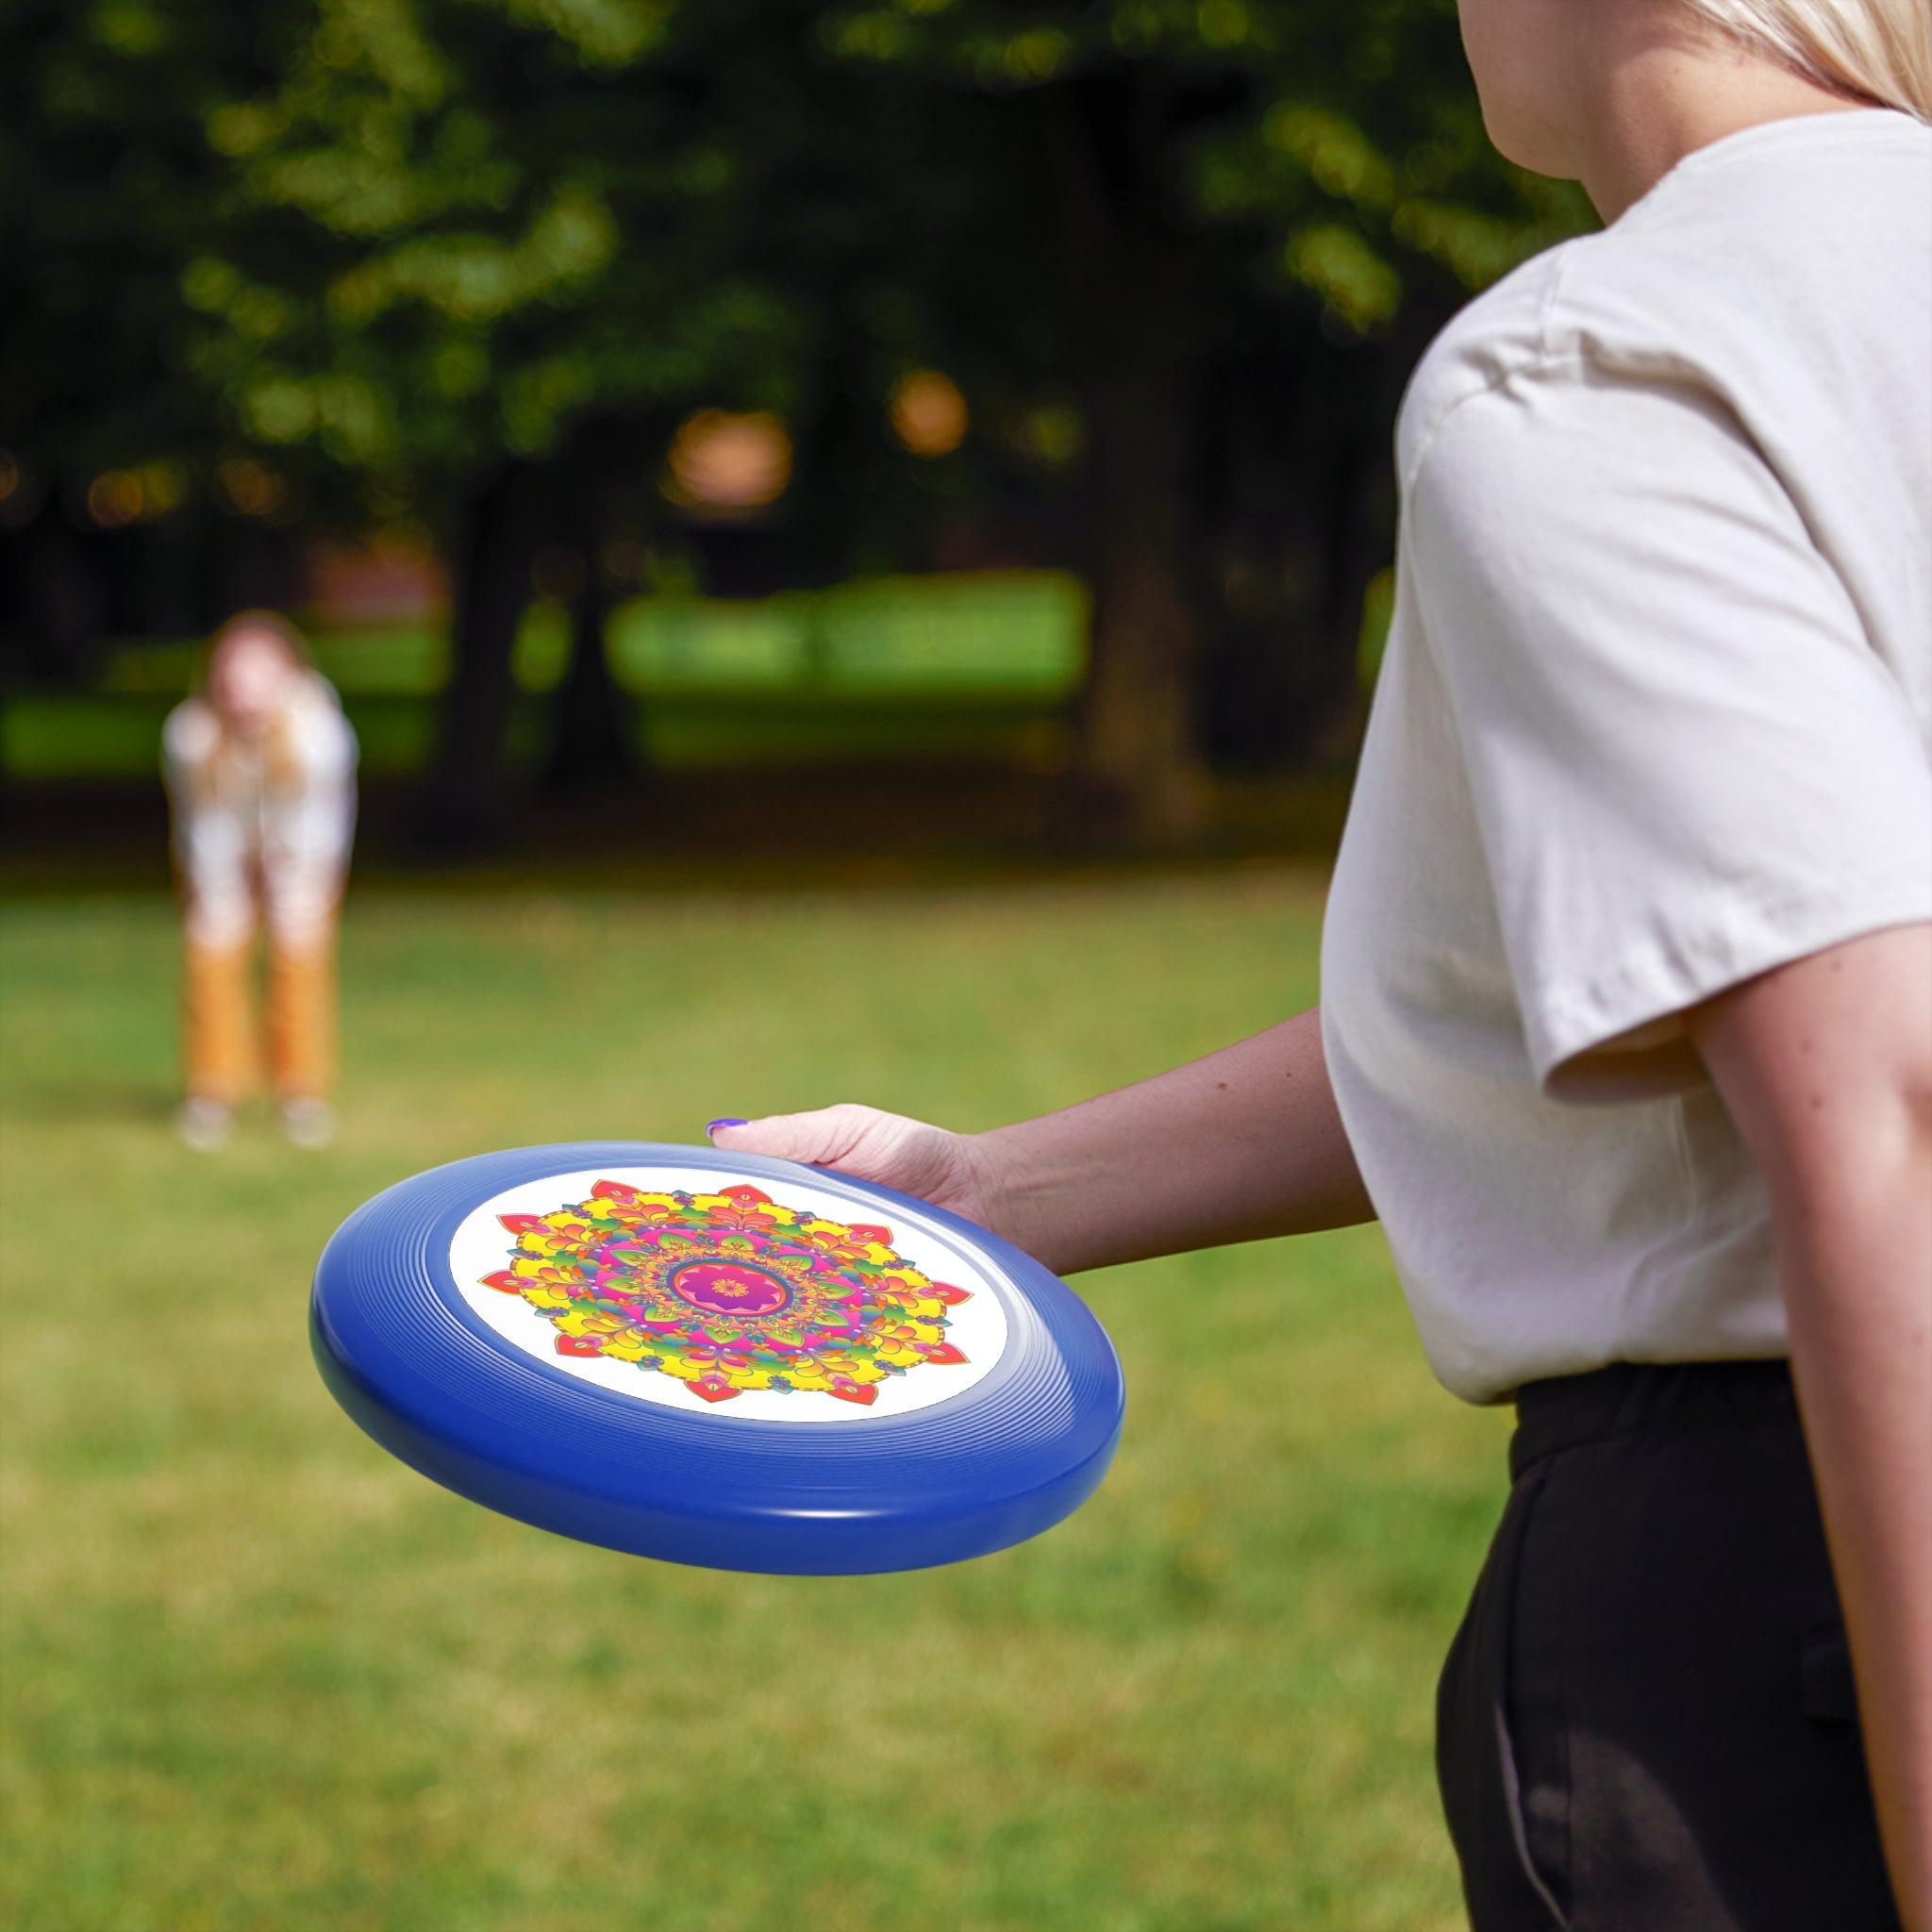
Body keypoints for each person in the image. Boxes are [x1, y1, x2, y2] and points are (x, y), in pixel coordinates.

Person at [707, 2, 1932, 1925]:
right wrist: (990, 1191)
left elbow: (1884, 1098)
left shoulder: (1607, 360)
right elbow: (1641, 985)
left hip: (1795, 1591)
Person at [162, 611, 358, 1151]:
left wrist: (287, 881)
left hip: (302, 858)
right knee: (212, 952)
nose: (244, 690)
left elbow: (317, 824)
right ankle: (212, 1091)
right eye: (234, 675)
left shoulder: (319, 733)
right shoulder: (191, 735)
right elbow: (204, 823)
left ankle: (301, 1093)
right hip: (221, 856)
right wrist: (224, 887)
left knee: (299, 958)